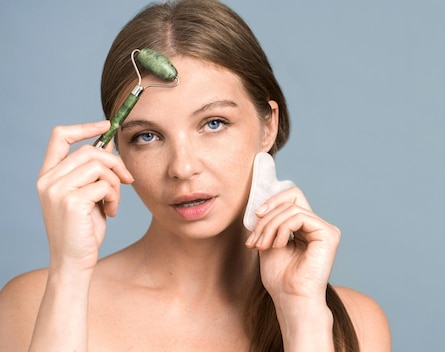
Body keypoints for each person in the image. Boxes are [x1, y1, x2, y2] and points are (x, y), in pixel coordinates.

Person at [0, 0, 390, 351]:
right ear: (115, 150)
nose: (183, 168)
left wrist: (302, 316)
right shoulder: (33, 304)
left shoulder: (354, 324)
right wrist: (68, 274)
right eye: (147, 136)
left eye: (214, 123)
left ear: (267, 126)